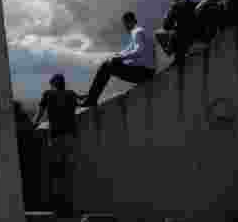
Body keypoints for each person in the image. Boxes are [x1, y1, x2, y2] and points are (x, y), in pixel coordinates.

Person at [81, 12, 155, 108]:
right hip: (146, 71)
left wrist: (120, 58)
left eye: (125, 24)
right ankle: (91, 96)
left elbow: (138, 51)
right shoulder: (139, 32)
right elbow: (127, 50)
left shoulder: (137, 32)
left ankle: (91, 99)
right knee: (108, 64)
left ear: (129, 22)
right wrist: (117, 56)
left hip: (144, 73)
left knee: (106, 67)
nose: (125, 27)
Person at [33, 74, 82, 215]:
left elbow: (40, 113)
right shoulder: (71, 94)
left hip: (56, 136)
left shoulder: (48, 94)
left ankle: (60, 207)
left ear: (53, 84)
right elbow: (81, 101)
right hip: (71, 136)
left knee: (57, 171)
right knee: (68, 171)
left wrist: (34, 124)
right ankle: (70, 206)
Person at [154, 0, 199, 66]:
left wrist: (172, 10)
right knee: (161, 33)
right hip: (185, 37)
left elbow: (166, 26)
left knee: (170, 34)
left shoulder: (182, 7)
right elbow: (166, 26)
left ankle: (178, 54)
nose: (182, 2)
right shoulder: (180, 8)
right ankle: (177, 53)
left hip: (188, 36)